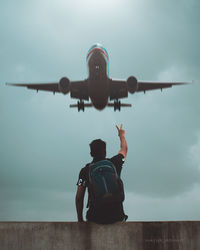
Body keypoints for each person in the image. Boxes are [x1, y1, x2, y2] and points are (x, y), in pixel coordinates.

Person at [75, 124, 128, 224]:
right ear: (105, 151)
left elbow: (79, 198)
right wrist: (121, 135)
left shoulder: (85, 171)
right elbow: (124, 149)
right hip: (117, 216)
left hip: (95, 218)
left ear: (91, 153)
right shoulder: (115, 163)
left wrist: (80, 220)